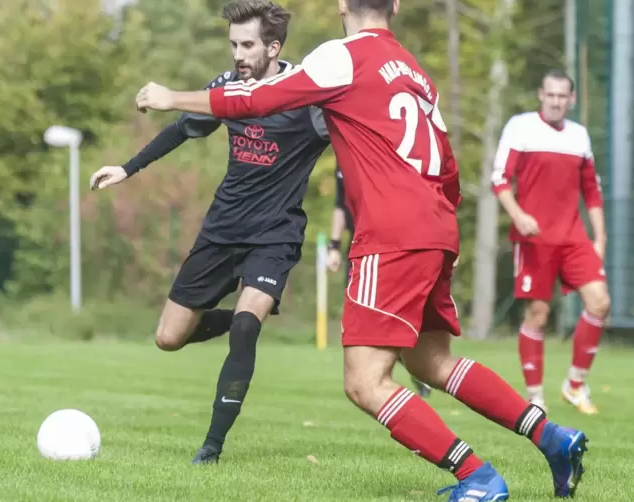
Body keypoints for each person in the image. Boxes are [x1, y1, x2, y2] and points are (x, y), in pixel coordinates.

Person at [134, 0, 589, 499]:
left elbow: (255, 100)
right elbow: (449, 166)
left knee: (365, 382)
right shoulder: (415, 72)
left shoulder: (343, 56)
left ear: (341, 6)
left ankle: (476, 478)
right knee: (431, 363)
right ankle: (553, 437)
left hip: (392, 236)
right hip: (436, 227)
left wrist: (171, 96)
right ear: (395, 6)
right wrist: (443, 233)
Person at [90, 0, 331, 465]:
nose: (238, 54)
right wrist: (127, 168)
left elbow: (357, 145)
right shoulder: (225, 88)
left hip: (275, 234)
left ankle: (211, 448)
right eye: (233, 45)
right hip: (221, 231)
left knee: (244, 326)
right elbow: (183, 130)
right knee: (168, 338)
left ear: (274, 46)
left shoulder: (307, 97)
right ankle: (245, 320)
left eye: (247, 45)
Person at [492, 69, 610, 415]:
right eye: (551, 94)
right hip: (534, 237)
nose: (557, 101)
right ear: (540, 96)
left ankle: (575, 385)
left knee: (600, 302)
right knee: (538, 314)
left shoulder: (579, 136)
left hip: (573, 237)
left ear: (571, 100)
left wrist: (599, 236)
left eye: (563, 96)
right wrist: (518, 215)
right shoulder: (520, 127)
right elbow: (499, 179)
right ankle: (536, 398)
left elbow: (592, 191)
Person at [329, 163, 432, 398]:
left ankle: (414, 367)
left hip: (387, 247)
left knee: (386, 318)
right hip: (357, 249)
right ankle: (406, 370)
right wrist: (333, 245)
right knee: (362, 319)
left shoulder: (381, 147)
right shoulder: (342, 157)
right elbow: (339, 204)